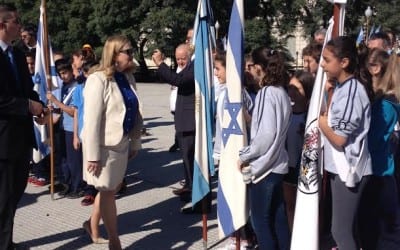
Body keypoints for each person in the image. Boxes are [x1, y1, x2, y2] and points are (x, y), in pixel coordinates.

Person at [81, 35, 142, 250]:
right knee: (108, 192)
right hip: (103, 149)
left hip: (122, 144)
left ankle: (92, 226)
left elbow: (136, 113)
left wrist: (135, 142)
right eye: (129, 51)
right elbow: (91, 122)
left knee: (108, 190)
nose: (132, 55)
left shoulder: (127, 77)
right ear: (114, 54)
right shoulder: (97, 79)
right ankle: (114, 240)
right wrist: (93, 155)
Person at [0, 3, 47, 249]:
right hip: (3, 141)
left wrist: (40, 107)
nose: (20, 26)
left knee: (14, 194)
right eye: (16, 22)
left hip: (21, 138)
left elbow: (28, 91)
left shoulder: (17, 54)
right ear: (2, 25)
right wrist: (28, 106)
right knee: (4, 199)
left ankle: (6, 240)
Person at [319, 36, 372, 250]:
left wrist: (321, 123)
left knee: (340, 231)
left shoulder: (352, 90)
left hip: (349, 169)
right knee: (346, 230)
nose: (322, 64)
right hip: (340, 169)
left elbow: (340, 138)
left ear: (344, 62)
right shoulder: (343, 88)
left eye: (327, 59)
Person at [238, 47, 291, 250]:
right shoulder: (281, 92)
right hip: (277, 165)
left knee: (260, 223)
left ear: (260, 68)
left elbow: (266, 136)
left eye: (251, 66)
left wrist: (245, 155)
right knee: (278, 221)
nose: (249, 70)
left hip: (266, 169)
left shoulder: (266, 93)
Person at [359, 49, 400, 250]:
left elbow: (373, 140)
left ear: (375, 69)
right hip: (382, 172)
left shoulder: (385, 105)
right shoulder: (385, 102)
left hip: (378, 172)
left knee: (378, 233)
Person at [152, 44, 195, 202]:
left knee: (190, 158)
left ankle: (194, 193)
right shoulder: (184, 68)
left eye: (183, 58)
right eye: (177, 59)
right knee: (186, 157)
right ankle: (189, 186)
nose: (180, 62)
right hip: (183, 119)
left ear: (190, 56)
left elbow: (179, 81)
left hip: (190, 121)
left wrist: (160, 63)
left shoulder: (195, 66)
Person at [47, 58, 84, 198]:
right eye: (60, 73)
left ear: (71, 71)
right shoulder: (63, 86)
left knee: (74, 160)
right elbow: (61, 107)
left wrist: (56, 102)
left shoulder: (76, 87)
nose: (63, 76)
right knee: (64, 159)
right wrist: (54, 106)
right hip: (62, 126)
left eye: (65, 72)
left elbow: (72, 111)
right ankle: (67, 184)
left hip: (72, 128)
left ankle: (78, 186)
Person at [283, 70, 314, 232]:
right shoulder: (285, 113)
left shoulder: (311, 116)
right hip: (288, 166)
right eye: (290, 87)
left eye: (297, 89)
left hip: (305, 169)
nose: (292, 92)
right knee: (289, 206)